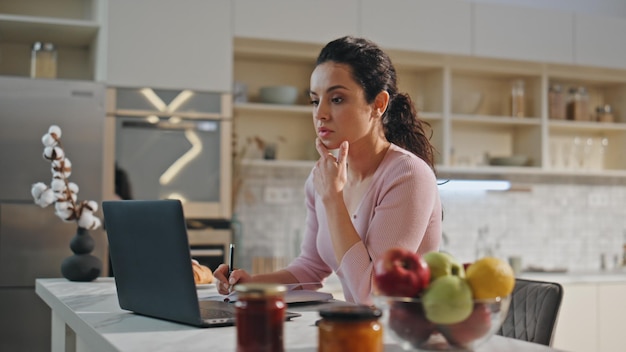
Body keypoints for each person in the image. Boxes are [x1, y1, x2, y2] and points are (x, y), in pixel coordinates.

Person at [214, 36, 442, 304]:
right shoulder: (322, 178)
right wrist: (251, 285)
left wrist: (333, 200)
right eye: (314, 100)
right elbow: (310, 267)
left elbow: (374, 296)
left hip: (408, 339)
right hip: (361, 334)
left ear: (379, 104)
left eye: (336, 99)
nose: (320, 113)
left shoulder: (408, 175)